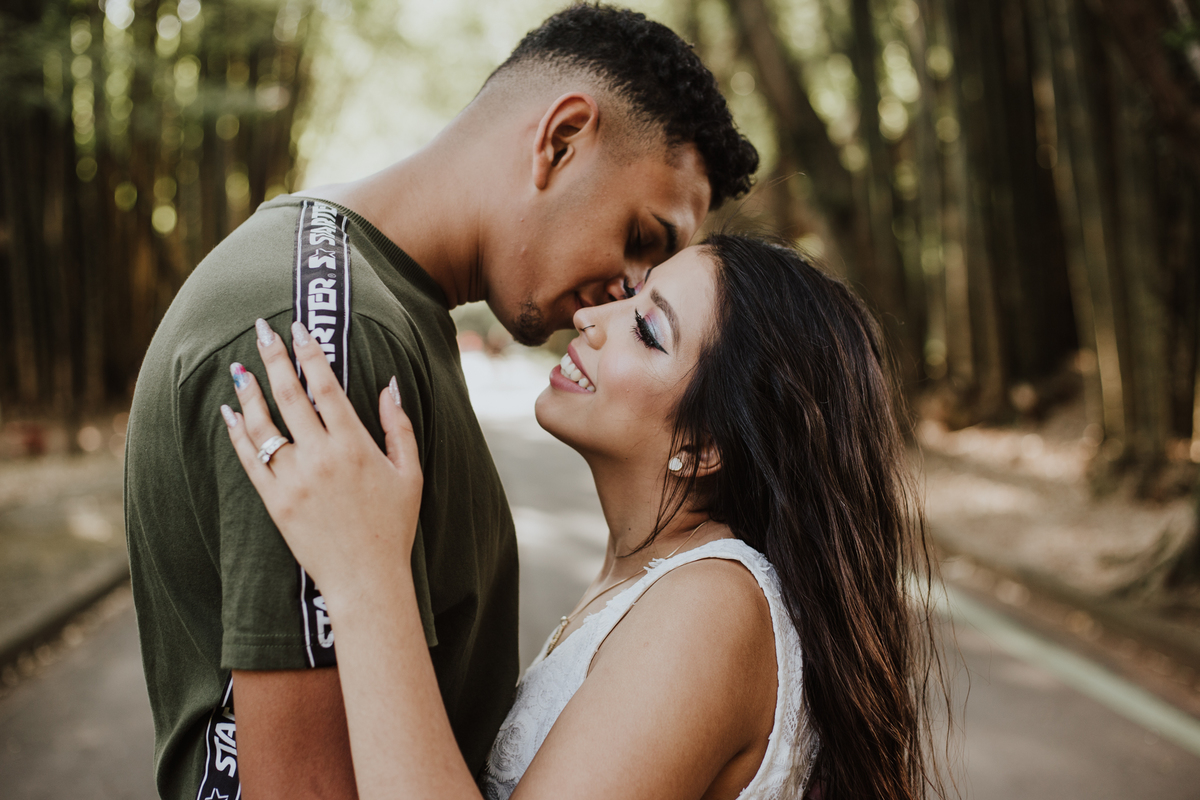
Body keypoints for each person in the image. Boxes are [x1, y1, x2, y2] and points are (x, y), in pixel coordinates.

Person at [123, 5, 758, 798]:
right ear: (560, 140)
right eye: (640, 236)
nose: (629, 291)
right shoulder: (328, 331)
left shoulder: (385, 313)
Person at [222, 235, 953, 800]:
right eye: (632, 296)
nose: (592, 318)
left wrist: (366, 575)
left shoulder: (716, 605)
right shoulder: (646, 582)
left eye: (647, 330)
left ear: (701, 447)